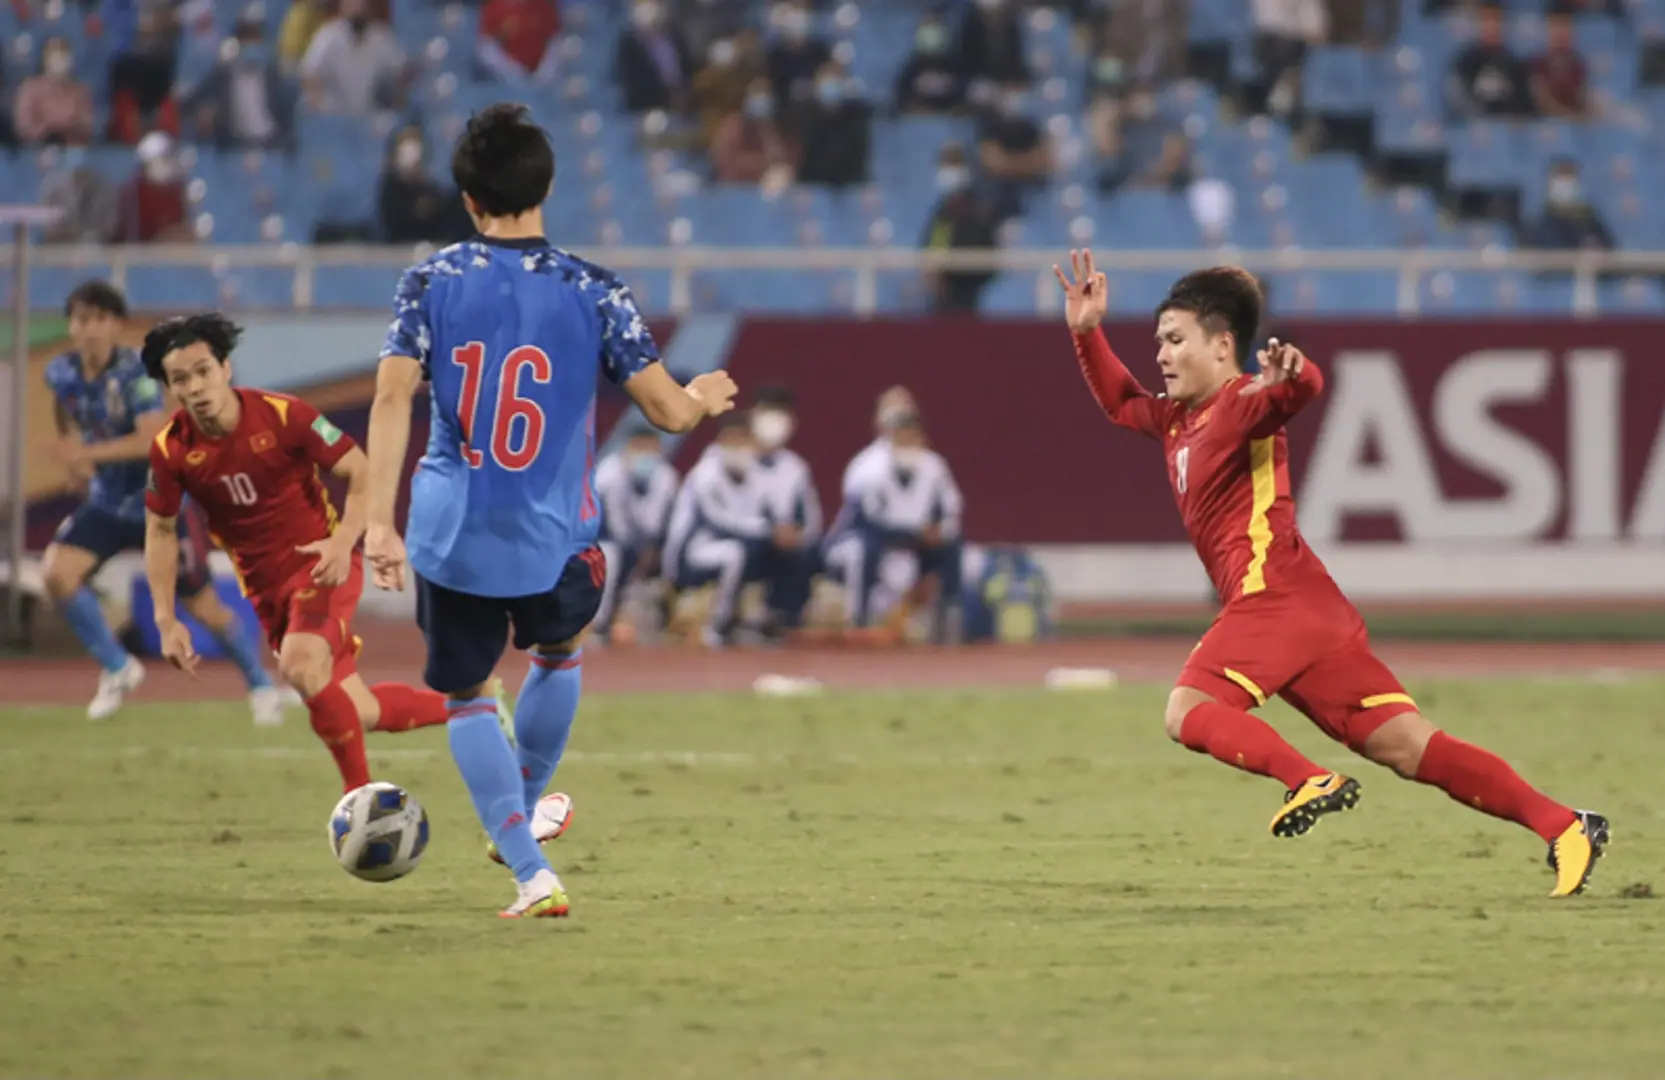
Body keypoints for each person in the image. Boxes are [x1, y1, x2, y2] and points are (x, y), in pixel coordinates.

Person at [1052, 249, 1607, 898]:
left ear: (1222, 345)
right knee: (1405, 746)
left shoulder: (1240, 404)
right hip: (1310, 609)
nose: (1161, 356)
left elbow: (1298, 391)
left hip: (1273, 600)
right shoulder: (1178, 420)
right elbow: (1121, 404)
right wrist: (1085, 332)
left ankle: (1307, 778)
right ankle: (1564, 824)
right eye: (1157, 343)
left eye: (1174, 341)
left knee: (1188, 710)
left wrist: (1296, 373)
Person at [362, 103, 738, 919]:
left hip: (452, 524)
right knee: (559, 649)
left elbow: (392, 395)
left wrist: (377, 518)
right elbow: (669, 414)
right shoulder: (594, 289)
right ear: (548, 185)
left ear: (466, 198)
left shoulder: (428, 282)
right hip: (552, 528)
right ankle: (523, 821)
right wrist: (704, 397)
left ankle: (529, 866)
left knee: (467, 695)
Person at [141, 313, 456, 795]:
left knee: (301, 665)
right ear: (170, 388)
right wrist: (166, 618)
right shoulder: (171, 450)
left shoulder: (284, 414)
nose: (196, 386)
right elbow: (161, 530)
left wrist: (343, 539)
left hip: (323, 563)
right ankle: (475, 708)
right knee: (358, 708)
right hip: (268, 592)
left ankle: (363, 802)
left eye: (203, 370)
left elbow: (360, 470)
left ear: (225, 368)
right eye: (181, 378)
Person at [42, 281, 284, 723]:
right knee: (58, 574)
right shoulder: (62, 372)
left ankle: (261, 684)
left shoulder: (136, 373)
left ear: (116, 325)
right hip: (108, 502)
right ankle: (118, 667)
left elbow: (148, 440)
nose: (89, 329)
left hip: (161, 503)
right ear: (71, 327)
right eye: (80, 319)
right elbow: (65, 411)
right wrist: (75, 460)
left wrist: (84, 455)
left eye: (99, 319)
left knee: (203, 607)